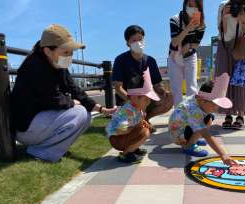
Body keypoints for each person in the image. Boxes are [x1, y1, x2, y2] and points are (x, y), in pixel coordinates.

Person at [11, 24, 117, 163]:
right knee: (79, 112)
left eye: (71, 52)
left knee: (86, 115)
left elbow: (75, 90)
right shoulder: (35, 66)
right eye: (65, 52)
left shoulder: (57, 64)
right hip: (25, 128)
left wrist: (102, 109)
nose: (70, 56)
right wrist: (73, 102)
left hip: (39, 121)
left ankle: (48, 149)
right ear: (48, 51)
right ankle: (42, 152)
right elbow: (52, 99)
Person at [112, 25, 173, 131]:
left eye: (140, 39)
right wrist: (132, 101)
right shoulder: (120, 60)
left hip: (146, 99)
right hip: (127, 100)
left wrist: (164, 92)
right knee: (135, 125)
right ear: (127, 43)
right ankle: (140, 123)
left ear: (144, 40)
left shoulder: (151, 60)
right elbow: (118, 87)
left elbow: (157, 85)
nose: (138, 42)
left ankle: (145, 119)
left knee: (169, 98)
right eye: (134, 40)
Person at [168, 74, 236, 165]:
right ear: (201, 100)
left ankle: (194, 138)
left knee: (210, 117)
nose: (216, 108)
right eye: (213, 105)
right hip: (179, 136)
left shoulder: (197, 99)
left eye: (217, 105)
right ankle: (188, 145)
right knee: (204, 123)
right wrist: (223, 155)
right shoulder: (193, 110)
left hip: (183, 128)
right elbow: (207, 135)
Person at [216, 0, 245, 129]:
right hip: (224, 45)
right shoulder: (223, 5)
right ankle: (227, 113)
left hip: (241, 44)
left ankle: (240, 115)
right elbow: (220, 29)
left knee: (241, 80)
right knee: (224, 79)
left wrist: (244, 20)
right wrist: (225, 15)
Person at [106, 68, 160, 163]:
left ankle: (133, 149)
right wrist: (134, 128)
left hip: (123, 136)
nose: (149, 102)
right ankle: (125, 154)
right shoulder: (127, 112)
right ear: (135, 98)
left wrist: (143, 124)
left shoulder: (138, 108)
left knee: (143, 130)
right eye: (146, 99)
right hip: (117, 139)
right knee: (144, 133)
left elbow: (138, 120)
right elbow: (119, 131)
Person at [168, 0, 206, 107]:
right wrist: (188, 27)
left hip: (190, 56)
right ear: (185, 5)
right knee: (176, 89)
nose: (192, 8)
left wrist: (188, 46)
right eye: (190, 5)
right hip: (174, 56)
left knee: (192, 87)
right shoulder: (175, 19)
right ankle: (178, 117)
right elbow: (174, 42)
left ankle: (192, 115)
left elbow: (196, 44)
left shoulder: (201, 24)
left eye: (196, 6)